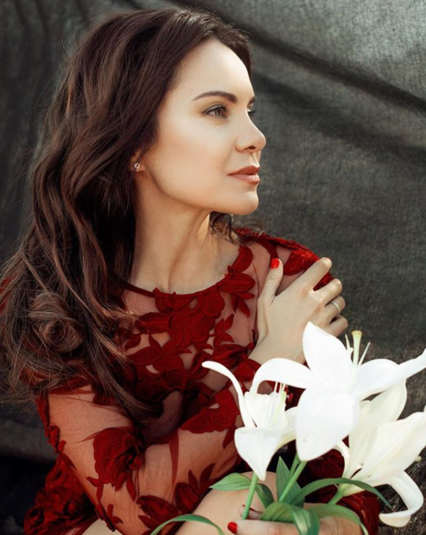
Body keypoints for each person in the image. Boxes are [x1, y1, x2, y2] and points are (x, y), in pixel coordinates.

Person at [0, 7, 380, 535]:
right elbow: (133, 509)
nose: (256, 137)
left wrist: (282, 527)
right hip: (99, 526)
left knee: (250, 502)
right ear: (133, 140)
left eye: (250, 110)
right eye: (217, 110)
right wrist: (269, 364)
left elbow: (350, 495)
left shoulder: (287, 282)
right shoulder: (58, 295)